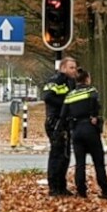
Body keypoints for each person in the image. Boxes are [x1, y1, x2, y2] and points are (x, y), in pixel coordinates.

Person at [62, 68, 107, 199]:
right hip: (90, 129)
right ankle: (106, 191)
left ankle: (81, 191)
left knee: (80, 163)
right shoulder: (92, 91)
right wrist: (94, 116)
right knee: (98, 162)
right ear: (87, 79)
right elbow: (96, 106)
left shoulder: (70, 95)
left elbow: (63, 115)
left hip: (76, 130)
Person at [42, 55, 78, 196]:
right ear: (63, 68)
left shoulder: (71, 82)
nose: (74, 70)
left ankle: (61, 186)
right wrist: (66, 103)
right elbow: (48, 97)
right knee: (56, 155)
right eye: (71, 67)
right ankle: (54, 187)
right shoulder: (56, 80)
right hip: (55, 122)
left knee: (65, 156)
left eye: (75, 67)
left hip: (66, 122)